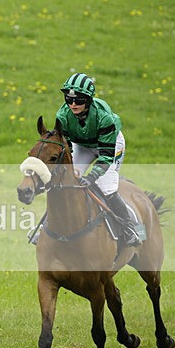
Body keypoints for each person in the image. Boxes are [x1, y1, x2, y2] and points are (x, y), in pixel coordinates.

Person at [56, 72, 141, 246]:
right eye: (68, 99)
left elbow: (106, 157)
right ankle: (45, 227)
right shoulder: (62, 116)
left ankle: (131, 229)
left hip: (109, 145)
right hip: (82, 145)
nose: (73, 104)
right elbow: (67, 150)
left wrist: (91, 177)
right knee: (65, 180)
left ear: (88, 99)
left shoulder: (104, 118)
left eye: (78, 100)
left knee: (106, 187)